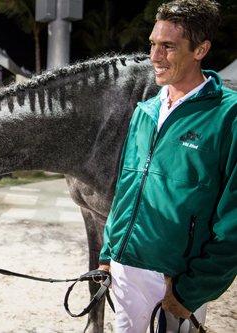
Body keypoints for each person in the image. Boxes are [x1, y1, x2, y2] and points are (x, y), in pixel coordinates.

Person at [98, 0, 237, 332]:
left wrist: (193, 290)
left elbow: (233, 220)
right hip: (125, 268)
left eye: (168, 47)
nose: (154, 56)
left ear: (200, 49)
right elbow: (126, 188)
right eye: (153, 44)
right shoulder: (144, 111)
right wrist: (108, 254)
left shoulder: (228, 115)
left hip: (176, 278)